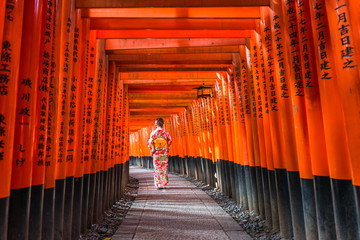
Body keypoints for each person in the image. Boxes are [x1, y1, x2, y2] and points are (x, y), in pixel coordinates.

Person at [147, 118, 172, 190]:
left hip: (156, 153)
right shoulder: (166, 133)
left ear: (156, 125)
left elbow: (150, 142)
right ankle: (163, 184)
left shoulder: (153, 133)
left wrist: (153, 149)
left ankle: (158, 184)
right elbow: (170, 140)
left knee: (157, 168)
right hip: (164, 153)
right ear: (163, 124)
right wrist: (166, 147)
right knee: (163, 168)